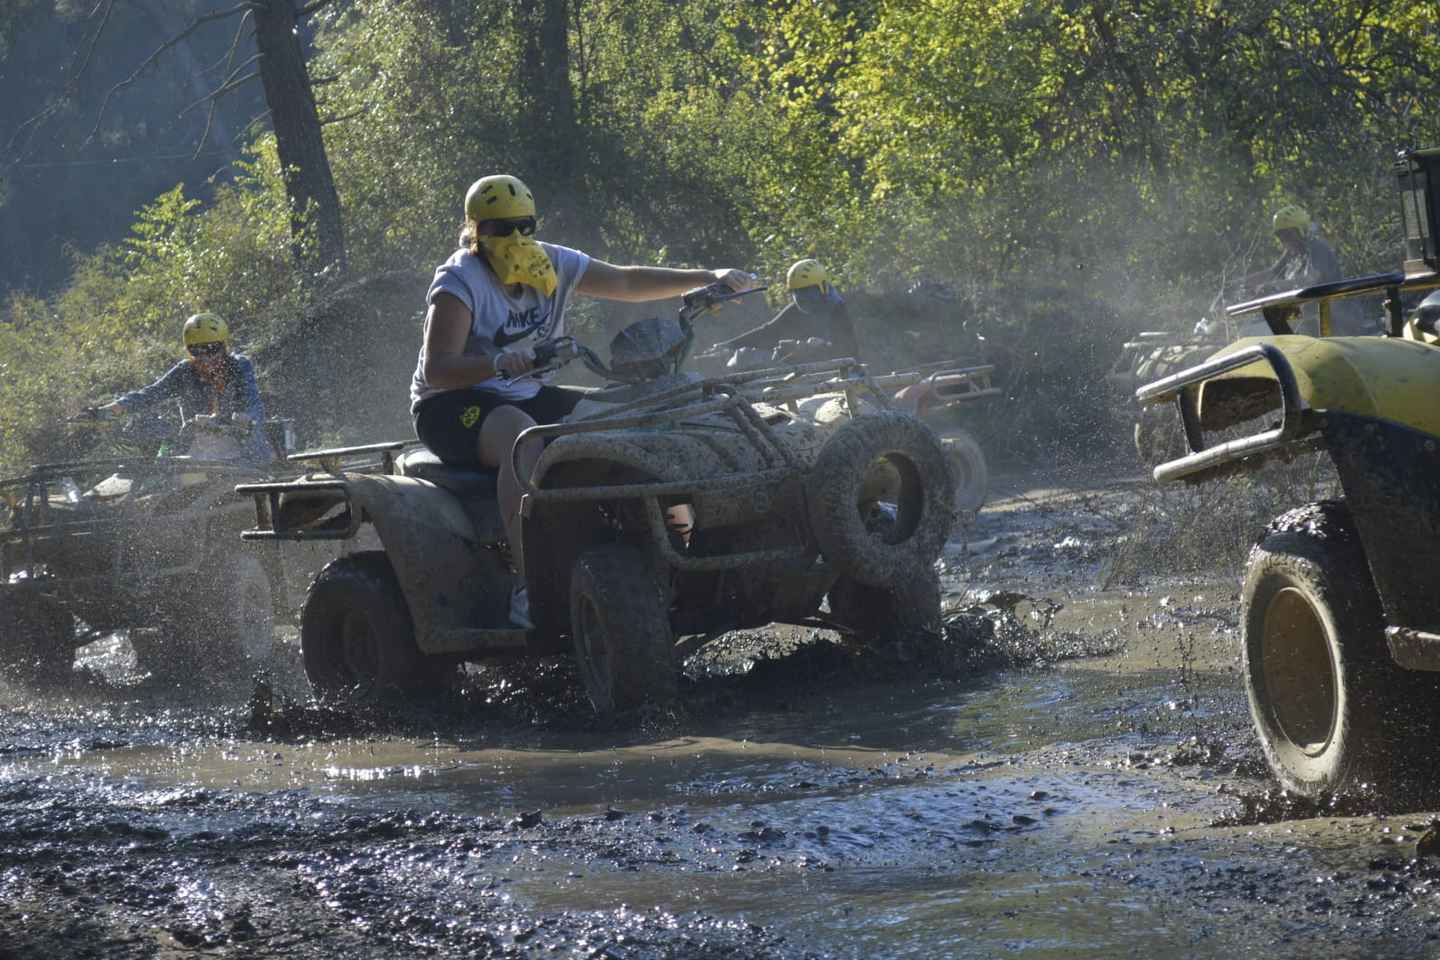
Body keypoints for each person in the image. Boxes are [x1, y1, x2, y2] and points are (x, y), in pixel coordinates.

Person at [409, 174, 754, 625]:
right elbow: (439, 368)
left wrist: (709, 277)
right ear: (475, 229)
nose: (514, 238)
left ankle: (684, 554)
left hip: (526, 391)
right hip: (452, 404)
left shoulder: (553, 262)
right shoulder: (460, 280)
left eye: (523, 225)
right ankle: (530, 584)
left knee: (633, 415)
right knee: (521, 435)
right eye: (498, 228)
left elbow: (627, 282)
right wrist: (498, 362)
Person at [92, 312, 272, 462]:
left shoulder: (239, 366)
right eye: (196, 351)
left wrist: (242, 422)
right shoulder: (185, 371)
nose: (205, 357)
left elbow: (251, 404)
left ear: (224, 347)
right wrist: (113, 409)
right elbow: (151, 393)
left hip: (244, 451)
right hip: (198, 451)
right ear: (189, 351)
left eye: (211, 349)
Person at [1244, 205, 1373, 335]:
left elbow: (1309, 281)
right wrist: (1241, 283)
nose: (1284, 241)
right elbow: (1272, 272)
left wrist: (1273, 286)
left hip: (1338, 319)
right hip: (1312, 318)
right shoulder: (1293, 252)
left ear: (1302, 230)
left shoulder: (1318, 249)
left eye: (1288, 235)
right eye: (1280, 236)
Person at [708, 259, 860, 365]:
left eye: (808, 291)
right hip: (809, 376)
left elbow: (848, 351)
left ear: (823, 287)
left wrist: (814, 347)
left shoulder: (838, 309)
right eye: (797, 293)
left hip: (844, 375)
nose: (802, 298)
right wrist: (729, 345)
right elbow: (769, 331)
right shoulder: (796, 309)